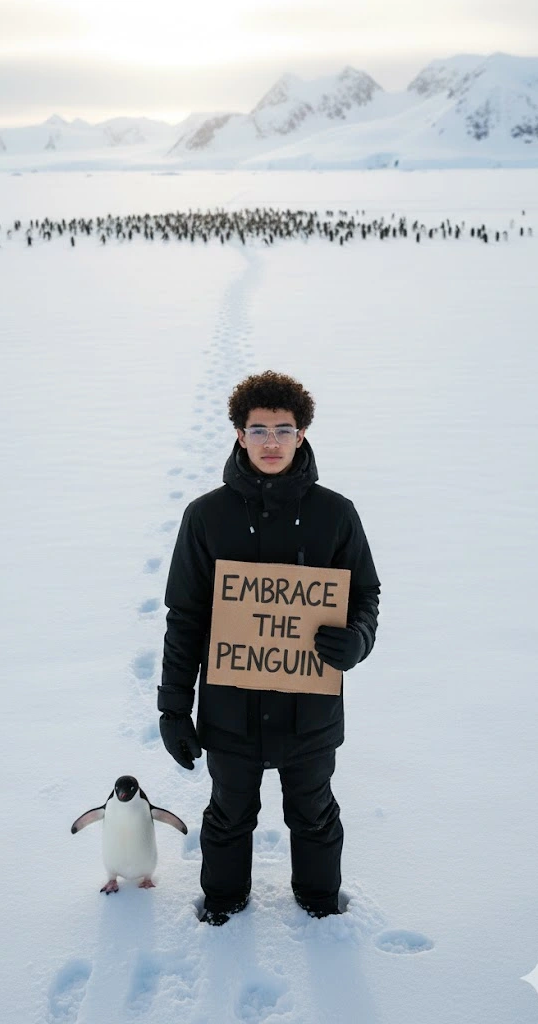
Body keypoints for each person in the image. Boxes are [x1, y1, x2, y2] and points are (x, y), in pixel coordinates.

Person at [158, 370, 380, 925]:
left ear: (302, 433)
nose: (273, 442)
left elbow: (365, 596)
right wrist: (172, 707)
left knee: (314, 814)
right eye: (259, 430)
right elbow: (184, 617)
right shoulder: (205, 516)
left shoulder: (336, 513)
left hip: (311, 709)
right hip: (232, 708)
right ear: (239, 435)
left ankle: (321, 908)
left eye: (284, 428)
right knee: (229, 814)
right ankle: (224, 907)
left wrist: (356, 641)